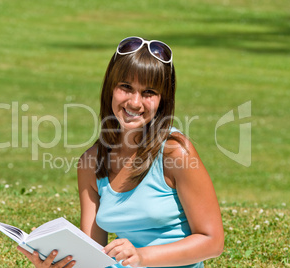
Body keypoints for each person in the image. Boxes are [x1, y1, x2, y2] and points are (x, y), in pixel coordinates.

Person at [18, 36, 224, 268]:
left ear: (162, 100)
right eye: (126, 87)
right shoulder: (91, 161)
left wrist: (143, 256)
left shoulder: (175, 152)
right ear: (110, 89)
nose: (135, 103)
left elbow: (212, 241)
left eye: (148, 92)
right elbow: (90, 255)